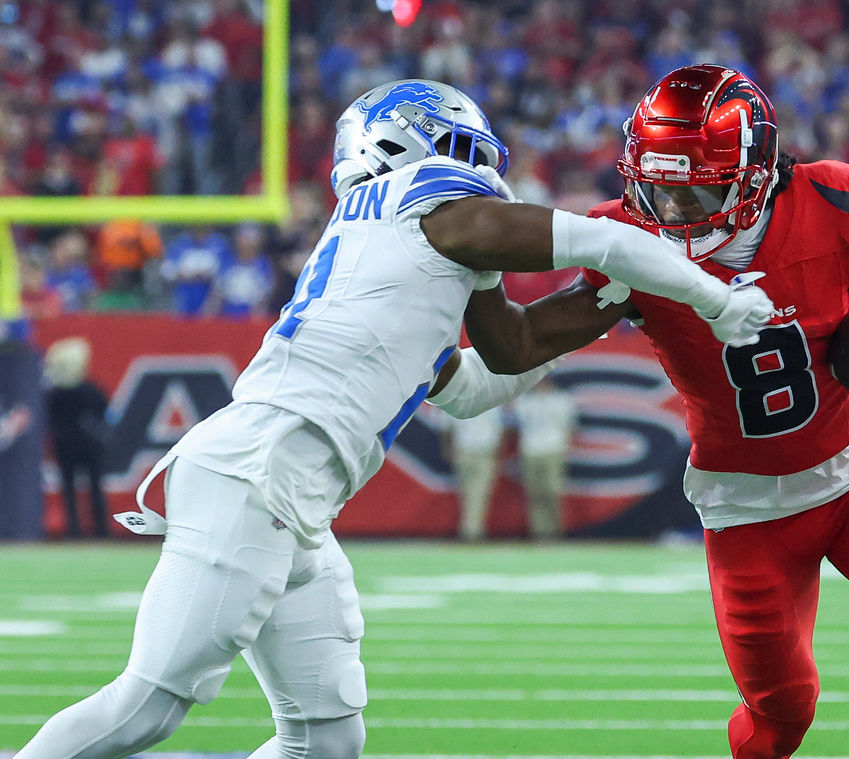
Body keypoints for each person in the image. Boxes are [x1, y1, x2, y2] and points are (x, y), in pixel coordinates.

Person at [14, 79, 773, 759]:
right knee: (146, 705)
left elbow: (491, 366)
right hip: (261, 475)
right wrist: (716, 297)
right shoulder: (425, 201)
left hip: (289, 491)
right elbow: (600, 238)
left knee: (325, 735)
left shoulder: (397, 253)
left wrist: (608, 303)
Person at [459, 65, 849, 759]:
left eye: (694, 189)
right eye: (658, 188)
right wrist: (476, 271)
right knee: (782, 717)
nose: (673, 210)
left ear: (753, 175)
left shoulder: (829, 201)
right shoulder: (629, 246)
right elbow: (515, 346)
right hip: (748, 510)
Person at [43, 337, 111, 539]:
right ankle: (101, 531)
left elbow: (50, 419)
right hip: (89, 444)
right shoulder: (89, 389)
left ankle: (74, 532)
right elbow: (104, 411)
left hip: (66, 445)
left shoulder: (55, 393)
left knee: (70, 491)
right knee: (95, 488)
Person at [513, 374, 576, 539]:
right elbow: (517, 425)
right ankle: (540, 532)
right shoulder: (525, 401)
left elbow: (569, 427)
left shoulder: (561, 400)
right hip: (530, 450)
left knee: (552, 491)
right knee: (535, 493)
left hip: (554, 449)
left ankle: (556, 530)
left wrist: (565, 448)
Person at [448, 405, 505, 541]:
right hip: (477, 451)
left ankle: (470, 530)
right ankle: (473, 532)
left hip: (469, 450)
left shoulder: (457, 399)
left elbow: (446, 429)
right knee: (477, 493)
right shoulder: (491, 400)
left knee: (471, 494)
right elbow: (499, 428)